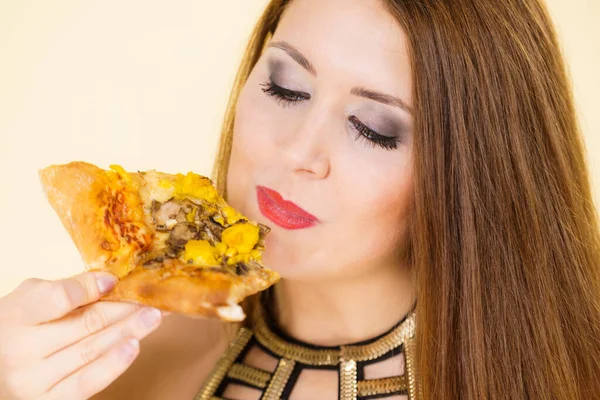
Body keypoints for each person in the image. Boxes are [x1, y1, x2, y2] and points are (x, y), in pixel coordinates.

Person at [2, 0, 600, 398]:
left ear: (476, 174)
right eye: (285, 87)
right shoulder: (105, 364)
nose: (298, 151)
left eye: (373, 128)